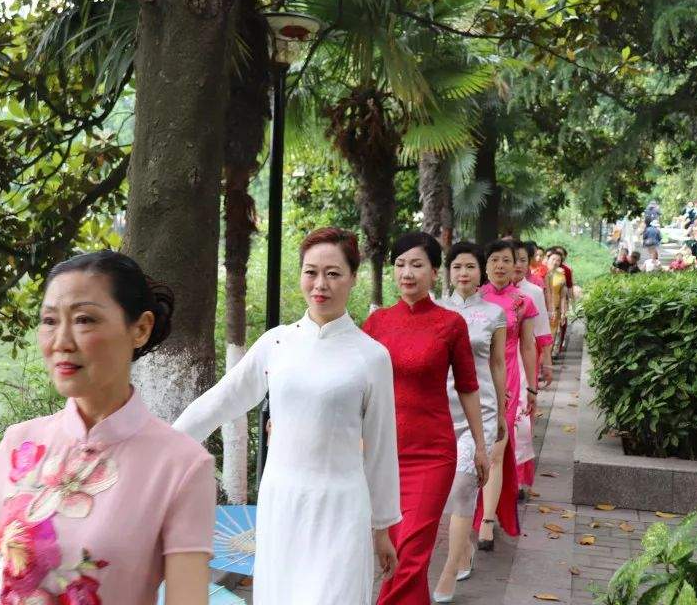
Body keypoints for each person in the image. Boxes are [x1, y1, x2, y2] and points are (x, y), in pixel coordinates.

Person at [0, 251, 215, 605]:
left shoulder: (182, 466)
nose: (61, 341)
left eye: (84, 319)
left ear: (140, 328)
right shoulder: (22, 445)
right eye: (49, 320)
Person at [174, 227, 400, 605]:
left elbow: (380, 446)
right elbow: (221, 400)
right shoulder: (276, 343)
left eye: (333, 273)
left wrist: (381, 529)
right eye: (311, 272)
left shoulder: (371, 356)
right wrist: (163, 444)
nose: (320, 284)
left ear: (353, 278)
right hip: (283, 503)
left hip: (341, 507)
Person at [364, 231, 487, 605]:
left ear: (435, 272)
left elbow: (467, 386)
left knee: (411, 553)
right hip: (382, 454)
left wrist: (481, 446)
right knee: (397, 554)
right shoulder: (376, 324)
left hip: (432, 453)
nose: (407, 273)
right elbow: (354, 389)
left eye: (417, 264)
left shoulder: (450, 325)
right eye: (400, 265)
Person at [432, 242, 507, 603]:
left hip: (481, 411)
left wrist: (504, 411)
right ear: (447, 271)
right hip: (438, 409)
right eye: (457, 266)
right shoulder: (434, 310)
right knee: (443, 489)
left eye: (470, 267)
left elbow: (496, 365)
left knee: (464, 485)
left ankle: (448, 572)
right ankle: (464, 549)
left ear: (481, 273)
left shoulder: (494, 314)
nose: (464, 273)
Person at [475, 240, 538, 552]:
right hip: (473, 383)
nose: (500, 266)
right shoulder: (472, 298)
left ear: (517, 265)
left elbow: (528, 345)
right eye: (494, 259)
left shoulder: (523, 302)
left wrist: (532, 387)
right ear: (485, 265)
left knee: (497, 449)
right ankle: (471, 509)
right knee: (475, 449)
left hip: (508, 382)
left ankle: (487, 520)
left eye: (506, 260)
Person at [511, 241, 554, 496]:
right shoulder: (486, 292)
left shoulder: (533, 292)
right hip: (498, 364)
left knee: (522, 422)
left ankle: (517, 480)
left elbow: (542, 333)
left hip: (525, 362)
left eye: (521, 260)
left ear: (529, 263)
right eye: (509, 259)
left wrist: (546, 363)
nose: (515, 265)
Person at [545, 250, 568, 348]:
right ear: (547, 259)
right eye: (553, 259)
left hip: (556, 309)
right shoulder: (542, 274)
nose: (555, 262)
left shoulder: (561, 276)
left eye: (558, 260)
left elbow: (563, 296)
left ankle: (548, 358)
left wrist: (563, 312)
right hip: (542, 308)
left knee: (552, 334)